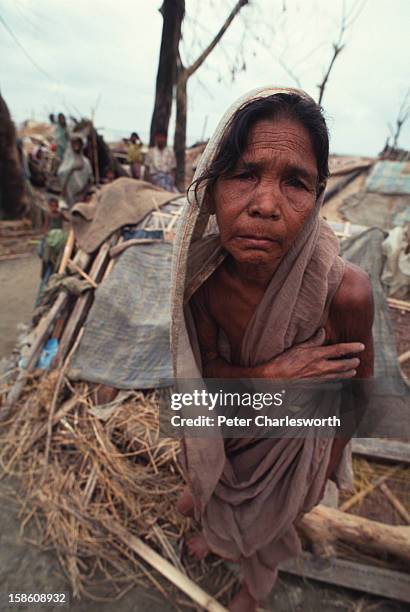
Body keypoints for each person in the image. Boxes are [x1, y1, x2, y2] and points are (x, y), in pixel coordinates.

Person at [171, 87, 374, 611]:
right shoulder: (205, 282)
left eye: (295, 183)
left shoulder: (343, 291)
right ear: (211, 189)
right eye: (243, 175)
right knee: (212, 490)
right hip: (232, 424)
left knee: (269, 522)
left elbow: (354, 397)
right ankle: (218, 536)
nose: (265, 205)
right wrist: (270, 376)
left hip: (294, 448)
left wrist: (325, 471)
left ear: (317, 196)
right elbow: (205, 377)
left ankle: (253, 590)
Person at [57, 135, 93, 208]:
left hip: (81, 195)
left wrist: (83, 193)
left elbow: (90, 180)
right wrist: (71, 170)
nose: (76, 145)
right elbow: (60, 174)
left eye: (78, 143)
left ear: (81, 145)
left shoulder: (86, 162)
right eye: (74, 143)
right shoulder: (67, 160)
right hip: (68, 194)